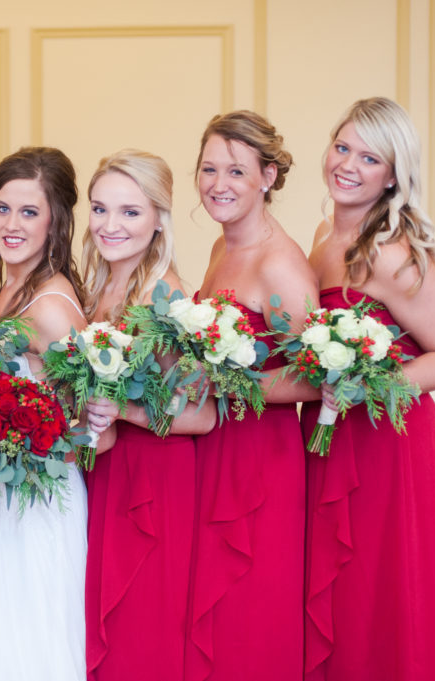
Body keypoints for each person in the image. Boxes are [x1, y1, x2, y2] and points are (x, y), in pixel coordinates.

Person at [303, 97, 435, 681]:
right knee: (344, 597)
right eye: (343, 146)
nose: (348, 164)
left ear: (393, 175)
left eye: (369, 157)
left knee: (382, 596)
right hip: (334, 435)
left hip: (389, 446)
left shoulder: (389, 250)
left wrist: (364, 387)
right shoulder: (326, 234)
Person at [186, 112, 318, 681]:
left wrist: (233, 385)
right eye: (210, 168)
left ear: (267, 176)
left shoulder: (280, 262)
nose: (219, 183)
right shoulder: (223, 245)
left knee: (250, 604)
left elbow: (317, 377)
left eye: (236, 171)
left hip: (261, 458)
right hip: (215, 444)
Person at [80, 149, 216, 680]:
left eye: (130, 212)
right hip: (106, 469)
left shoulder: (170, 298)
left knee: (142, 623)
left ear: (160, 219)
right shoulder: (97, 286)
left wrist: (125, 411)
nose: (110, 226)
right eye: (99, 209)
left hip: (155, 480)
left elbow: (201, 416)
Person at [0, 146, 90, 681]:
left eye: (30, 212)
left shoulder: (52, 308)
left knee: (31, 641)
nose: (11, 224)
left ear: (55, 222)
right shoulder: (1, 289)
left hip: (41, 500)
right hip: (3, 492)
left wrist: (27, 436)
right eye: (3, 209)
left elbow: (91, 432)